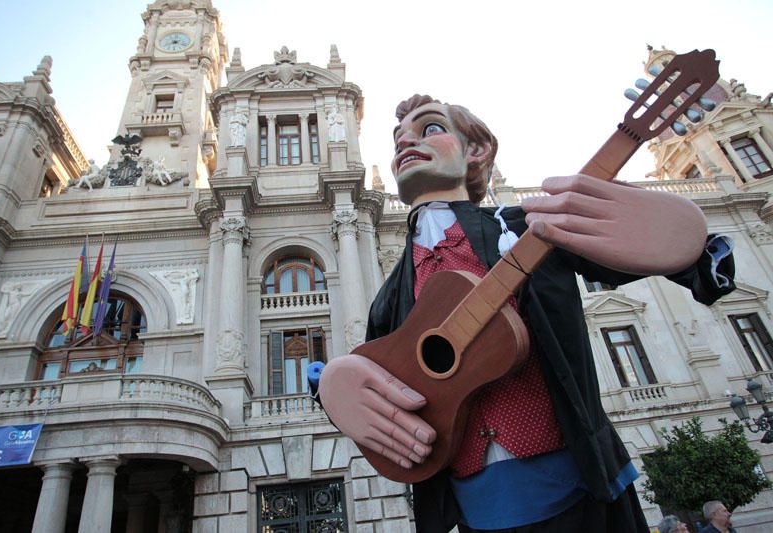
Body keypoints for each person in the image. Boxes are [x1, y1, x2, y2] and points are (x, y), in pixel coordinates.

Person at [315, 94, 735, 532]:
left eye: (431, 129)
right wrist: (332, 389)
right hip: (477, 508)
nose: (406, 143)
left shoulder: (526, 227)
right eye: (397, 138)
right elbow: (377, 375)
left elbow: (687, 264)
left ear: (475, 151)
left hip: (577, 484)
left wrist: (683, 240)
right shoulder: (393, 288)